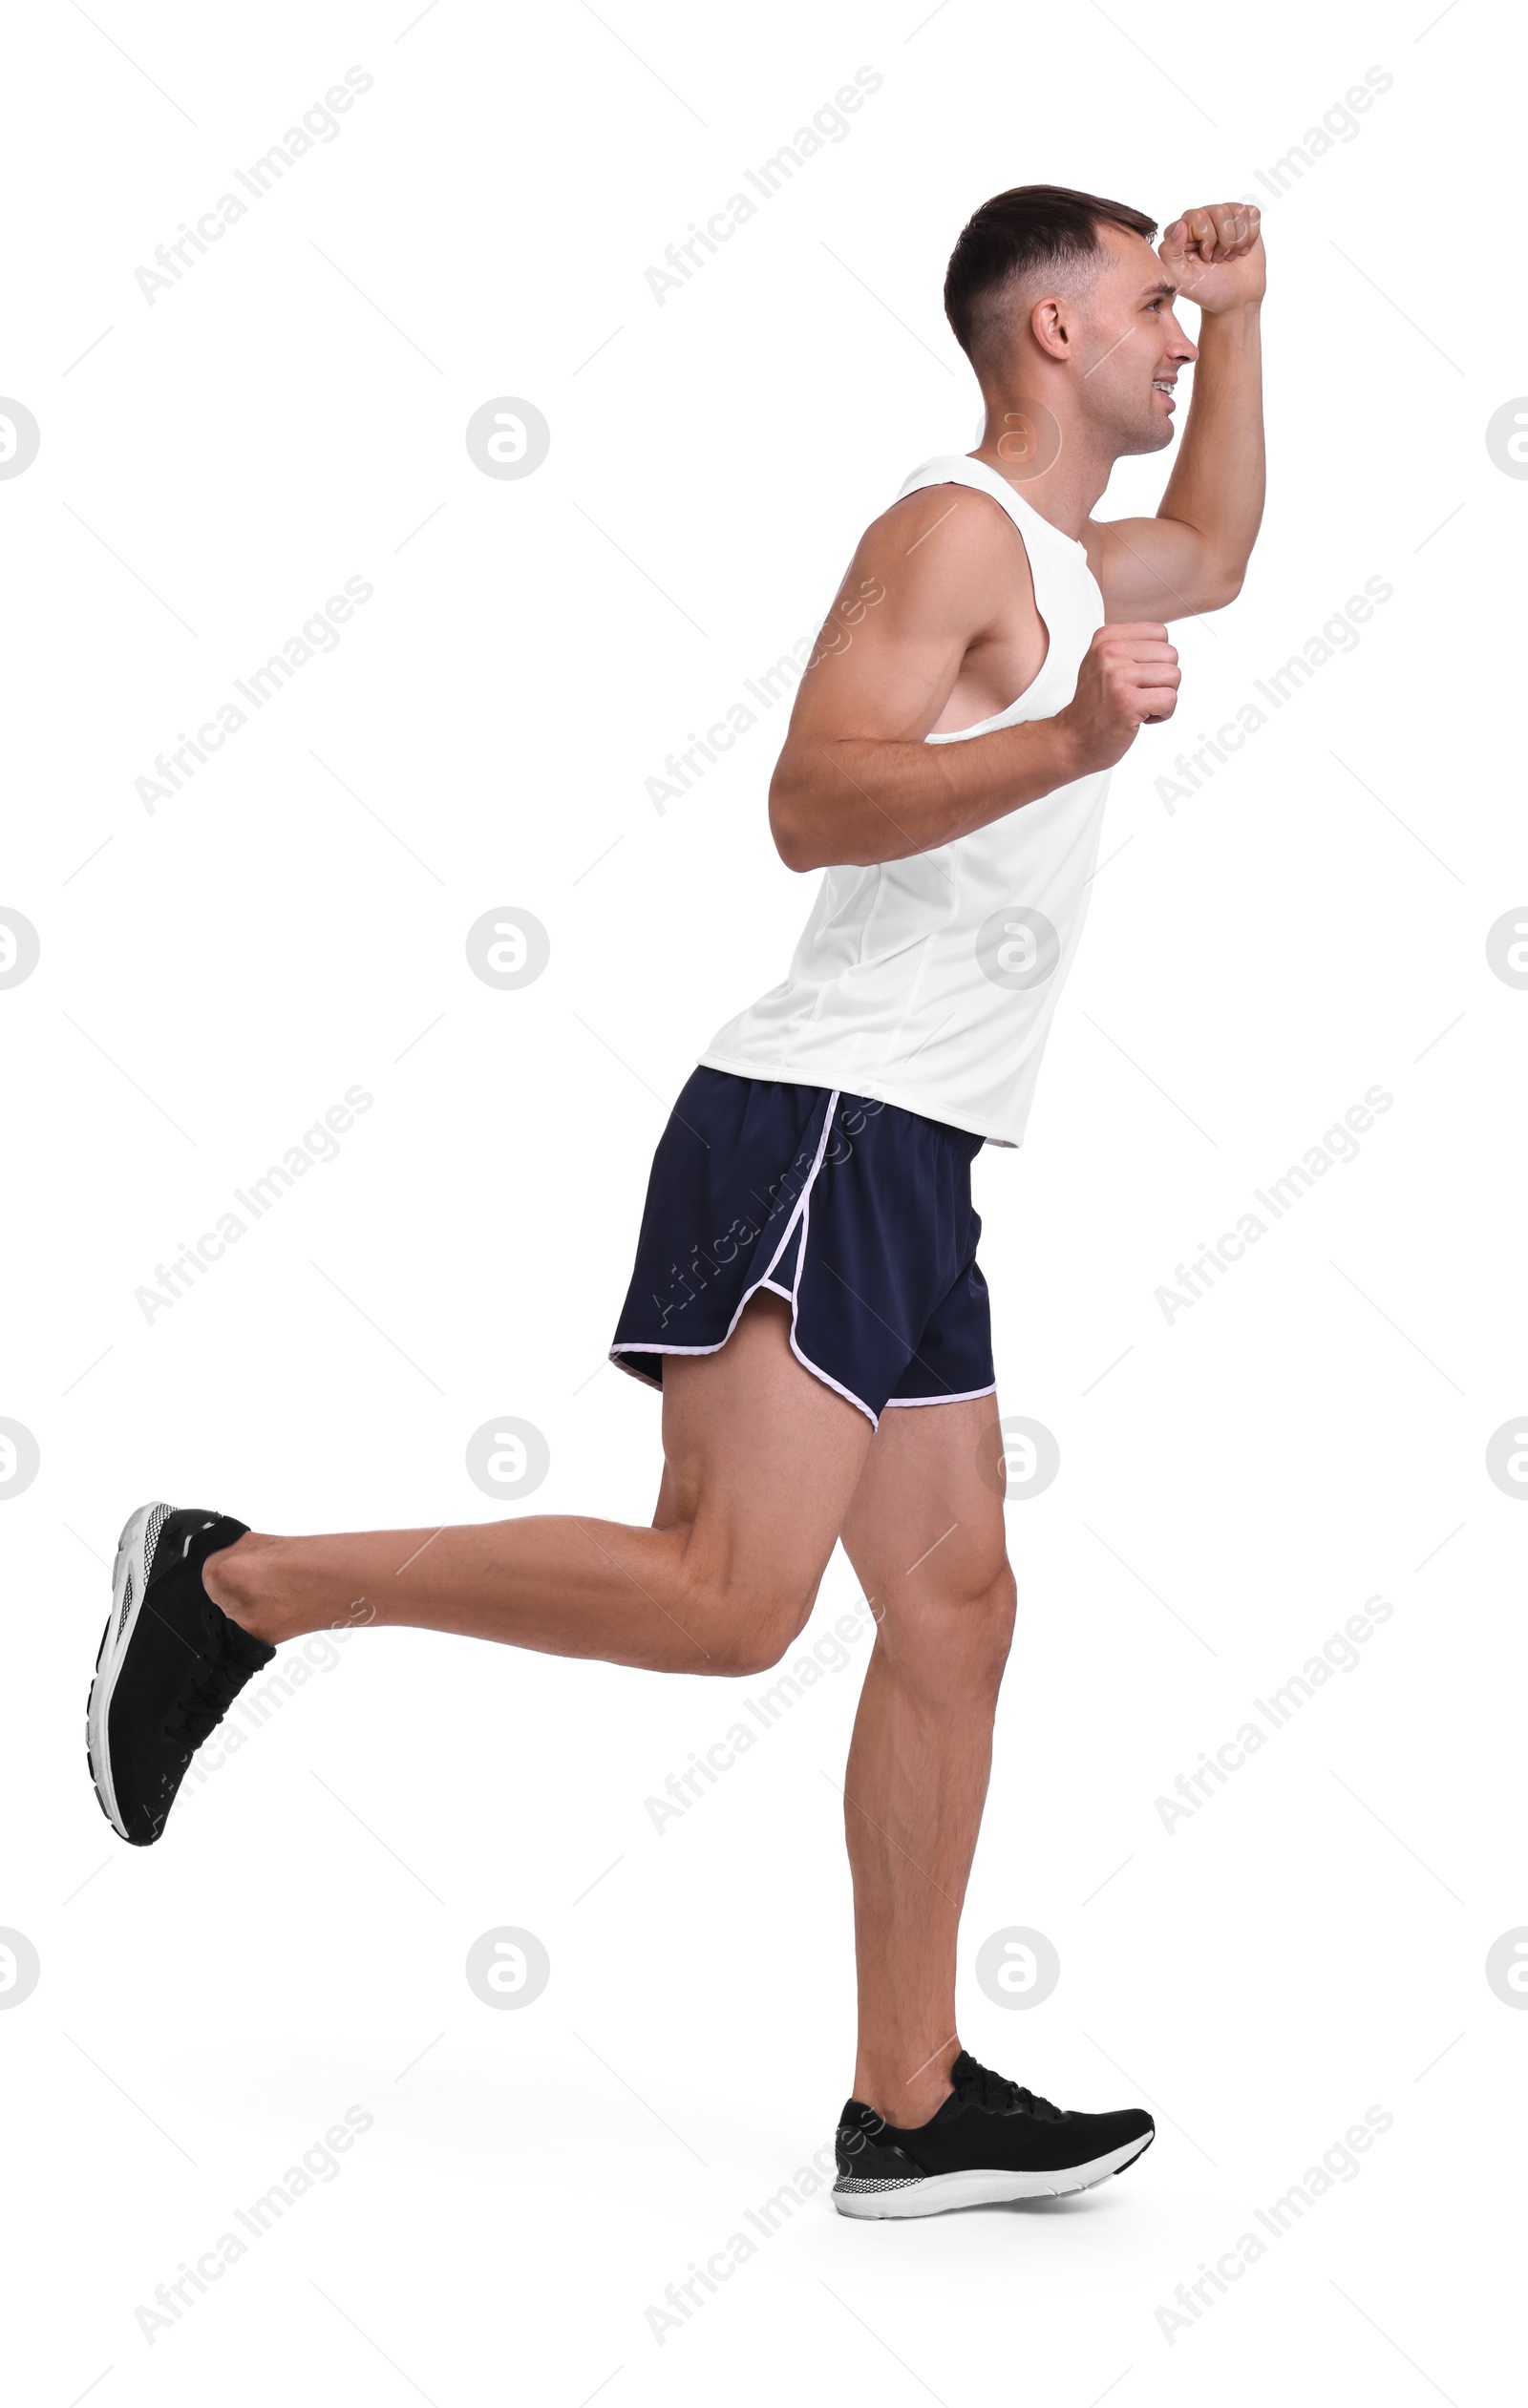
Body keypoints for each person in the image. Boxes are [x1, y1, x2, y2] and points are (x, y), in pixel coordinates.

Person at [86, 185, 1264, 2219]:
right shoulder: (951, 535)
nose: (1172, 336)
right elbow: (810, 792)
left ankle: (907, 2102)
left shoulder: (1068, 558)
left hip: (915, 1146)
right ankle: (229, 1582)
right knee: (731, 1599)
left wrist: (1243, 320)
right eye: (1151, 306)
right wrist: (1071, 739)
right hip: (817, 1120)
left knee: (956, 1603)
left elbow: (1224, 550)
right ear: (1049, 333)